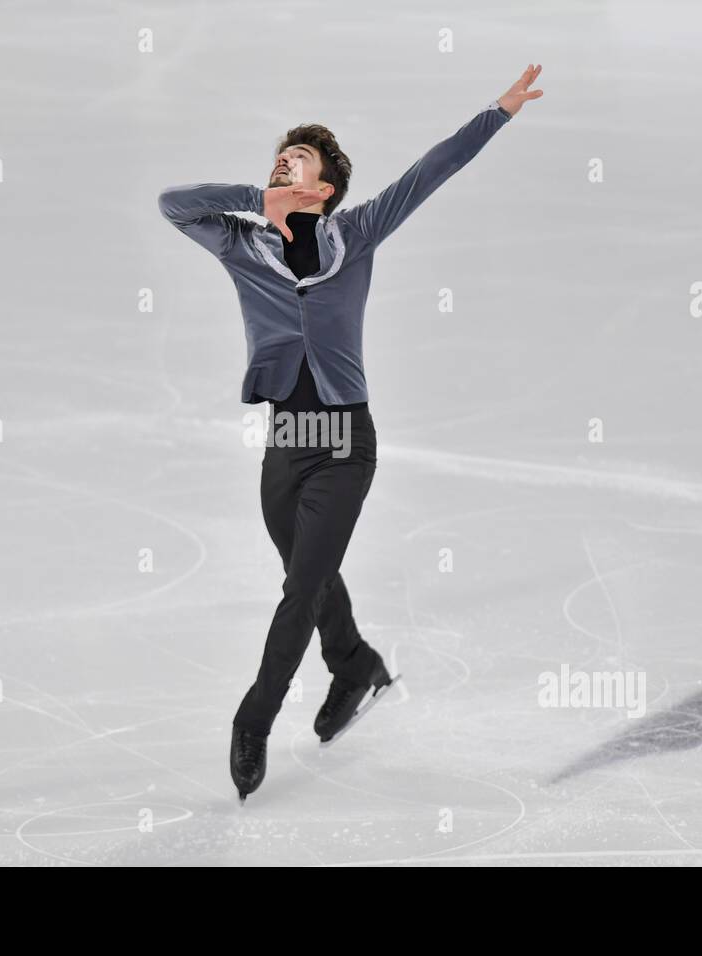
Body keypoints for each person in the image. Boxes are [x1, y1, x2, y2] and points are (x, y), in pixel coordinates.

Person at [157, 65, 545, 801]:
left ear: (326, 186)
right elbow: (172, 205)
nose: (283, 163)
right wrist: (256, 201)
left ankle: (254, 719)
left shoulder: (356, 233)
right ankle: (355, 663)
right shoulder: (242, 244)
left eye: (298, 159)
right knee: (310, 574)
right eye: (279, 158)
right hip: (283, 444)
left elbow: (432, 170)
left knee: (301, 587)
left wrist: (498, 112)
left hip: (344, 445)